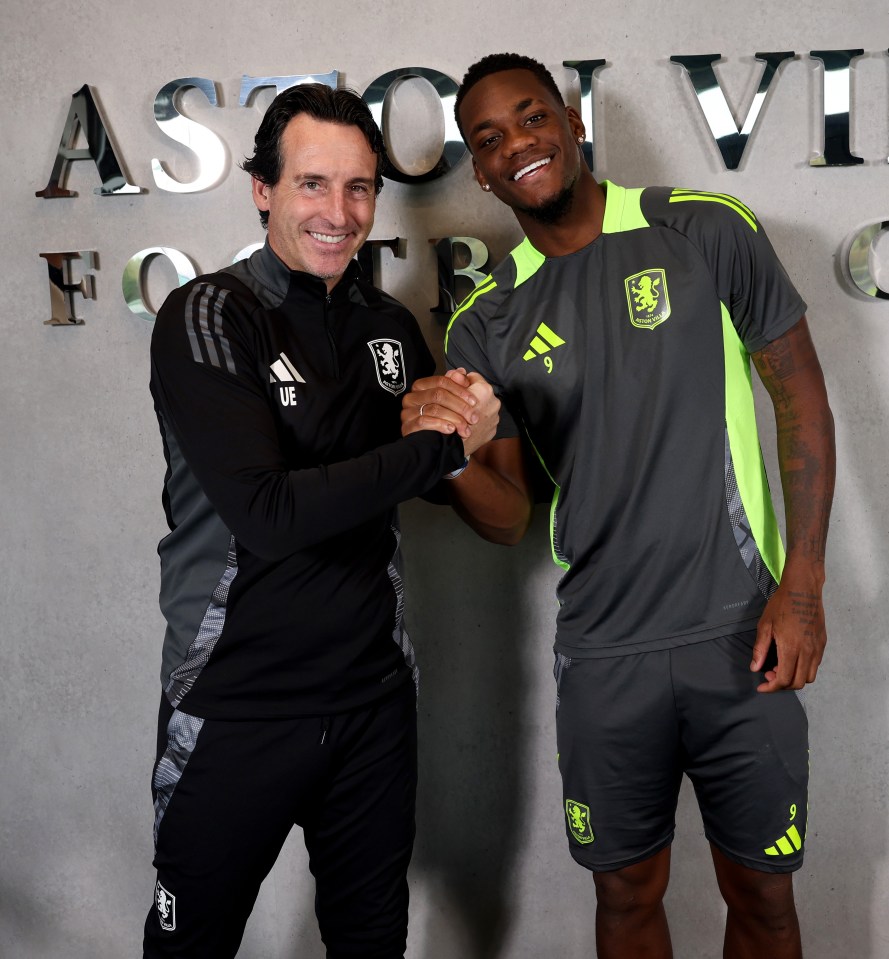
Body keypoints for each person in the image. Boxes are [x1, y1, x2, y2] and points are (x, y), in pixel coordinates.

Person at [402, 53, 835, 958]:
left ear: (570, 120)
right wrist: (437, 457)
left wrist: (801, 583)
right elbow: (508, 514)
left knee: (761, 895)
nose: (516, 144)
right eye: (488, 140)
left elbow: (799, 395)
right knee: (627, 897)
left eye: (529, 118)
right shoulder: (488, 316)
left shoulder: (701, 230)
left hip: (739, 632)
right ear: (478, 172)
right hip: (603, 653)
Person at [144, 83, 498, 959]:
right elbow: (267, 514)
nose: (338, 213)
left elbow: (424, 478)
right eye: (312, 184)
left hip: (371, 701)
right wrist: (442, 449)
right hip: (237, 702)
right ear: (263, 188)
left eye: (359, 188)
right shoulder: (210, 315)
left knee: (370, 942)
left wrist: (472, 415)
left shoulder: (386, 325)